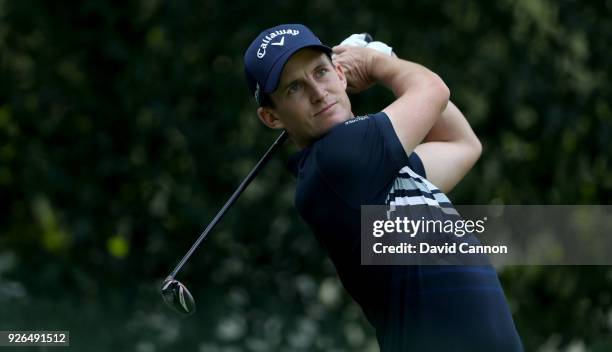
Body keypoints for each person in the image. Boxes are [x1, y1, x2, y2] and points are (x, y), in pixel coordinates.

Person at [244, 24, 523, 351]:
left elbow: (462, 144)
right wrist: (378, 64)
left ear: (340, 75)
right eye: (294, 88)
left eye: (321, 73)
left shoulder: (373, 175)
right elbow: (433, 90)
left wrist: (386, 58)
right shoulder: (339, 158)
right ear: (271, 118)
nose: (318, 92)